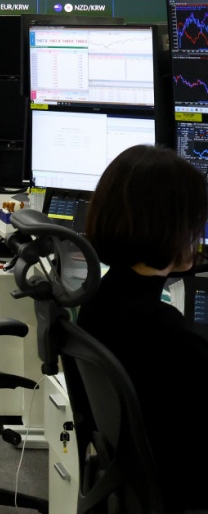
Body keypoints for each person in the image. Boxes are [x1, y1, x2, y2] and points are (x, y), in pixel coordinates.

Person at [78, 144, 208, 514]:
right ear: (172, 229)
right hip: (183, 484)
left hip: (135, 481)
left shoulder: (98, 298)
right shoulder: (164, 333)